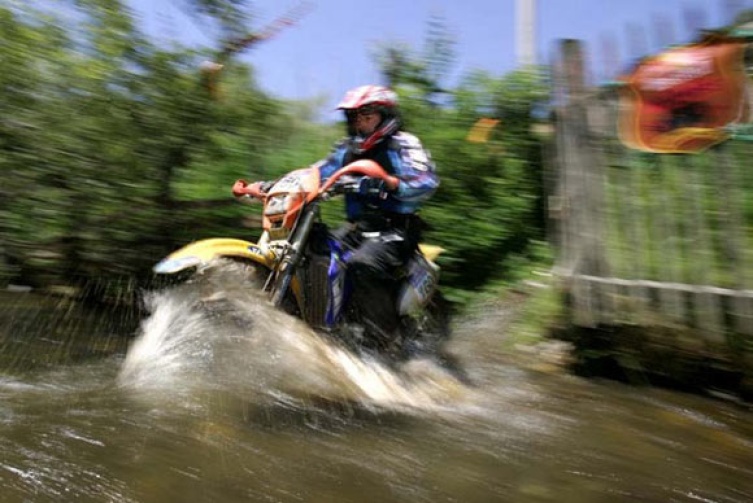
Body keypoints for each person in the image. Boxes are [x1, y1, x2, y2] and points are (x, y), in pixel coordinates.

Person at [245, 85, 439, 345]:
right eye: (354, 116)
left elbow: (426, 180)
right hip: (357, 228)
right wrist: (272, 185)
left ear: (385, 116)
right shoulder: (346, 150)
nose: (359, 121)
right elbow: (316, 173)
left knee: (361, 265)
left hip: (395, 229)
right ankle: (319, 322)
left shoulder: (403, 144)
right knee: (313, 249)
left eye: (366, 115)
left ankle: (382, 339)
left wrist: (389, 183)